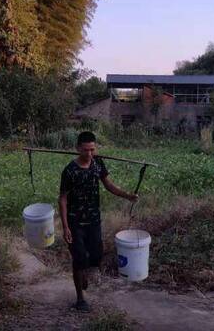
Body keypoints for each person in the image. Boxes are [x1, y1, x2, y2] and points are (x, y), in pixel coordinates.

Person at [58, 131, 138, 312]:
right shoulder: (70, 171)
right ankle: (80, 299)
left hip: (94, 221)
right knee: (79, 259)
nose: (89, 154)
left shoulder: (98, 164)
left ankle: (84, 273)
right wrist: (65, 227)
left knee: (95, 256)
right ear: (78, 148)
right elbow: (62, 198)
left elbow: (108, 185)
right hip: (75, 223)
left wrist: (127, 195)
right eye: (85, 150)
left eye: (92, 149)